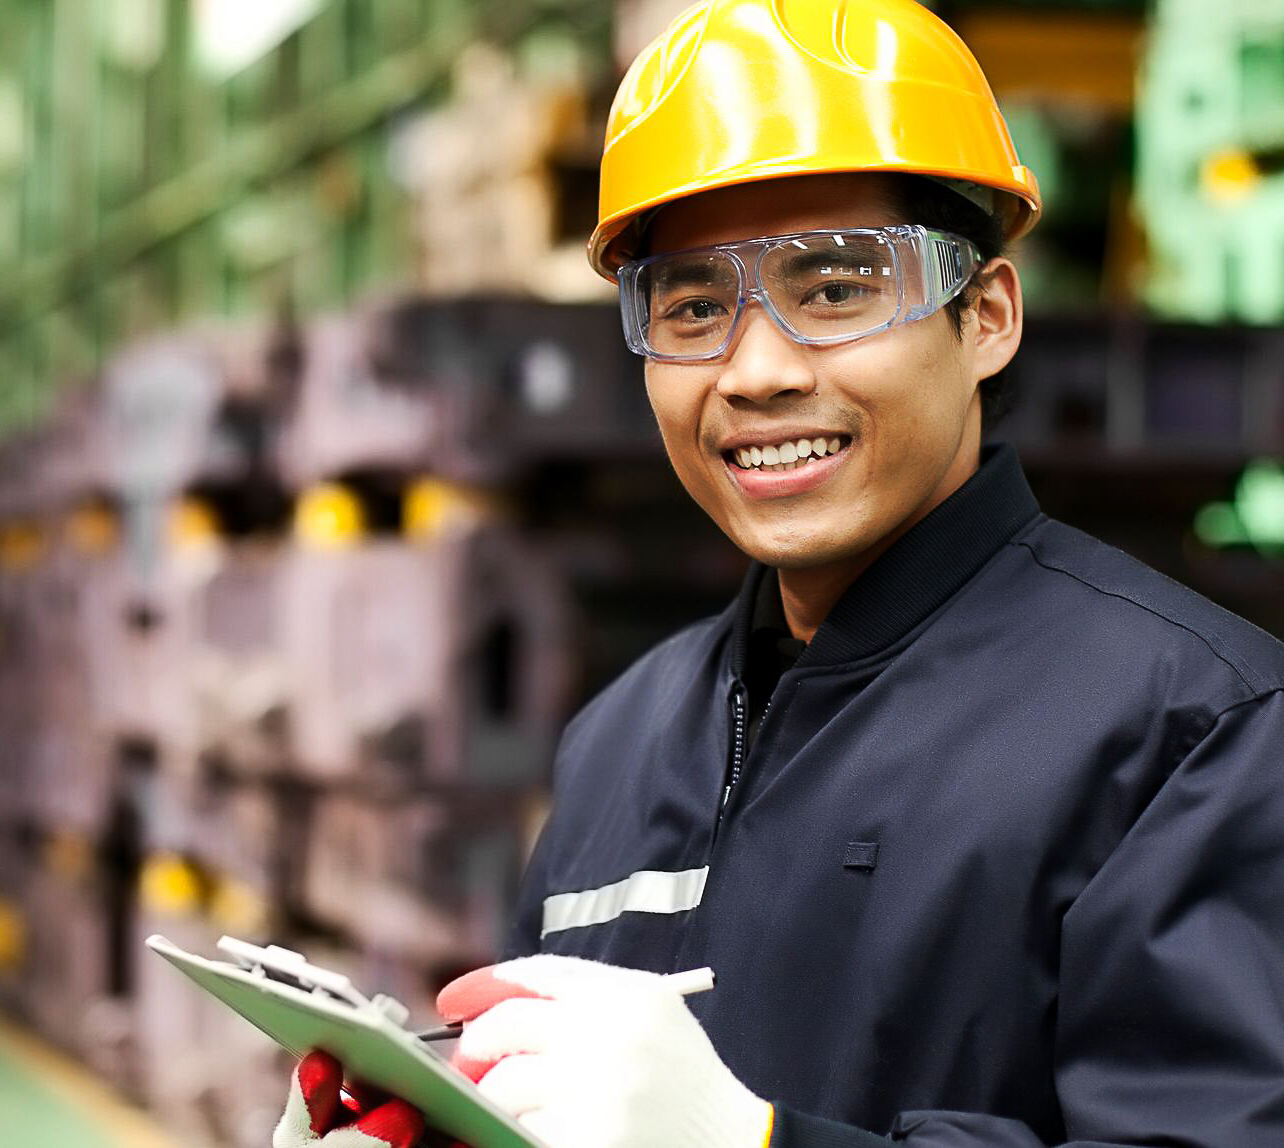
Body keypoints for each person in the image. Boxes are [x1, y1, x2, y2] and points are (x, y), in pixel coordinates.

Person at [274, 1, 1284, 1145]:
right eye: (695, 307)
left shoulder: (1196, 734)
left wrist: (757, 1140)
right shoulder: (620, 739)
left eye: (836, 289)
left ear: (988, 316)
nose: (754, 370)